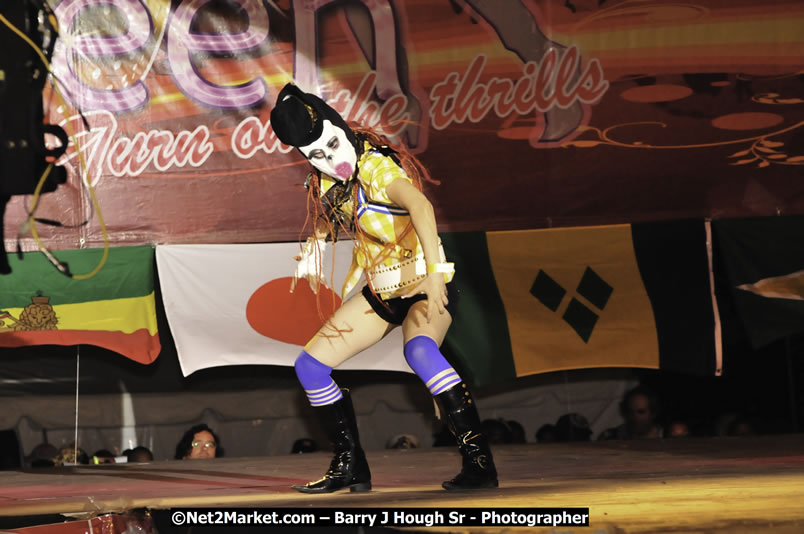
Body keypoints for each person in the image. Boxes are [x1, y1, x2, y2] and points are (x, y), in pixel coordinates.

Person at [271, 83, 498, 493]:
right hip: (381, 292)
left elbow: (422, 206)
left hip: (423, 285)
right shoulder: (328, 180)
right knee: (309, 366)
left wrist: (435, 270)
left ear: (341, 129)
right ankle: (351, 465)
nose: (330, 160)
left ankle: (480, 463)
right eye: (316, 156)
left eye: (333, 146)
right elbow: (329, 215)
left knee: (420, 351)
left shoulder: (379, 169)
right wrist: (315, 245)